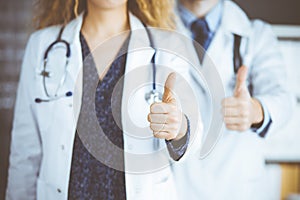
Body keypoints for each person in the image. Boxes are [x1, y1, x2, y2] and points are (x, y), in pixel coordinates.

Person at [6, 0, 203, 199]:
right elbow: (24, 155)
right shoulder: (42, 46)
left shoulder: (167, 47)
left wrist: (178, 129)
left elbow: (193, 133)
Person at [173, 0, 294, 199]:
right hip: (174, 185)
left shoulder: (256, 35)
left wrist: (255, 111)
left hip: (235, 186)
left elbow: (283, 100)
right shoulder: (149, 30)